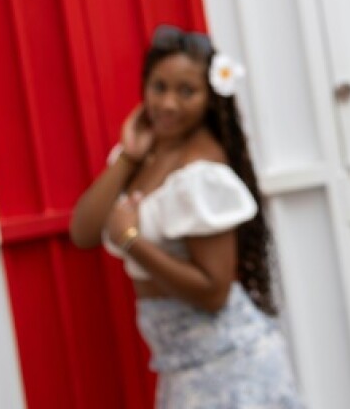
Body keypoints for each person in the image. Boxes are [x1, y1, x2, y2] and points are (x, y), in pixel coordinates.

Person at [70, 25, 304, 408]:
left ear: (210, 97)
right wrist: (128, 157)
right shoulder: (143, 157)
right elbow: (83, 233)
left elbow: (214, 292)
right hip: (181, 368)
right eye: (159, 87)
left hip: (229, 366)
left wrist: (132, 241)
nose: (168, 104)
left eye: (186, 91)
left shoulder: (200, 173)